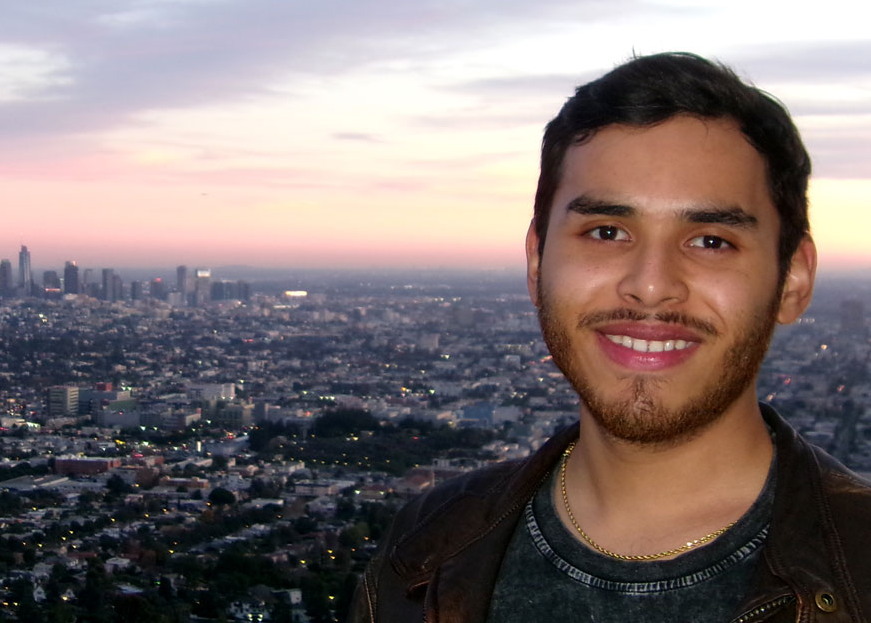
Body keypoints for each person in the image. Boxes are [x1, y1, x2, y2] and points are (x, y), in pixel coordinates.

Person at [349, 52, 871, 622]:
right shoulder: (421, 555)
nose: (650, 286)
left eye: (711, 241)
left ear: (793, 280)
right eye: (606, 231)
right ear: (536, 261)